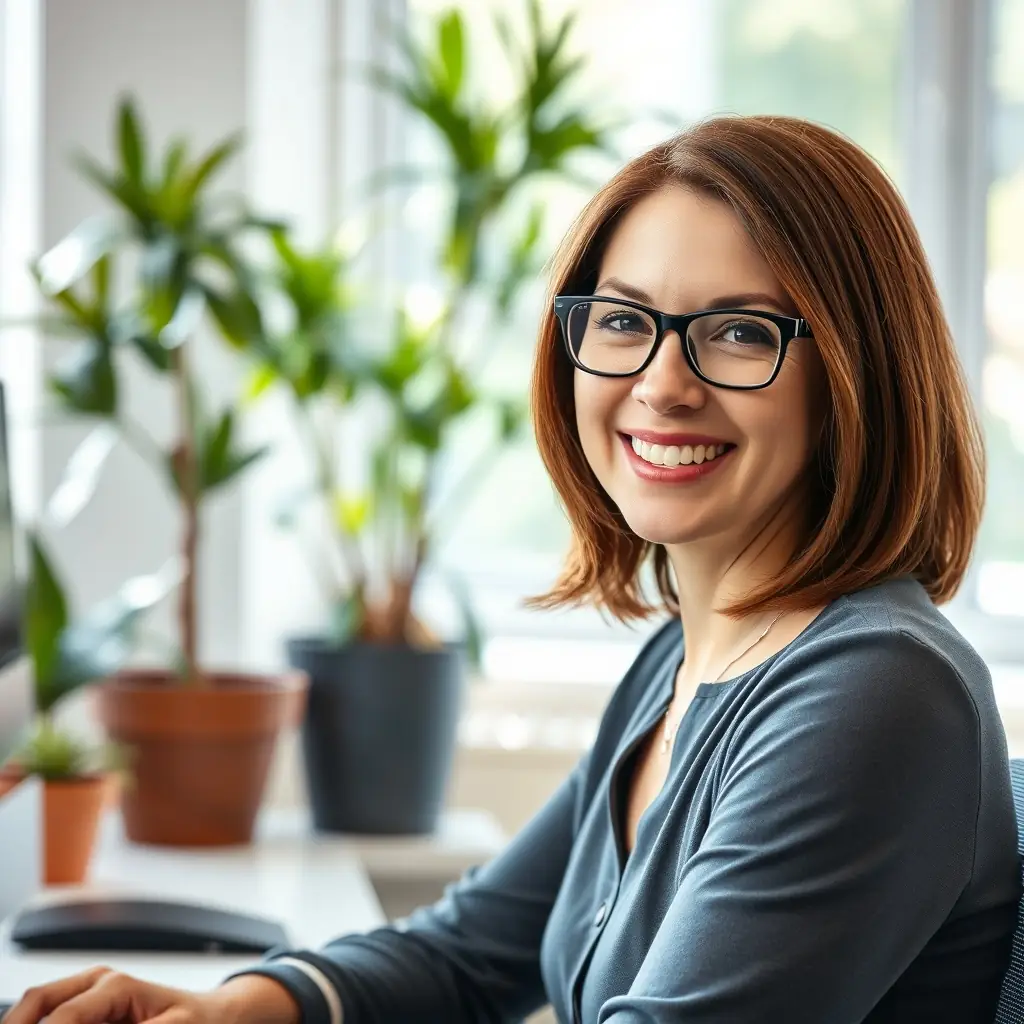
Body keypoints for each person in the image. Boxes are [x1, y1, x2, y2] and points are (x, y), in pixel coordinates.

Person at [6, 114, 1020, 1024]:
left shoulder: (875, 691)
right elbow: (467, 952)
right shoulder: (686, 658)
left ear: (855, 375)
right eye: (622, 320)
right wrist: (238, 1007)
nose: (661, 384)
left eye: (739, 333)